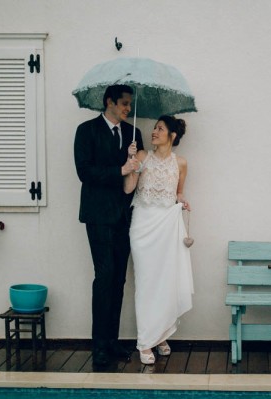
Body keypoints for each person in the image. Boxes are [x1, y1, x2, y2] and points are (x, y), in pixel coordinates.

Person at [74, 84, 143, 366]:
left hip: (125, 216)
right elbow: (84, 171)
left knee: (119, 280)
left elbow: (134, 177)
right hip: (98, 215)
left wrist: (134, 162)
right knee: (104, 276)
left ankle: (112, 341)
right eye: (124, 103)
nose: (128, 109)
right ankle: (99, 344)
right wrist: (120, 169)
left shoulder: (133, 134)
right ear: (109, 102)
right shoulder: (86, 130)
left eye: (129, 104)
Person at [124, 115, 194, 365]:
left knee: (165, 281)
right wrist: (131, 163)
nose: (154, 131)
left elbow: (178, 193)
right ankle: (145, 341)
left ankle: (160, 335)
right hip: (143, 225)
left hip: (167, 226)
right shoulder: (142, 156)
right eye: (154, 128)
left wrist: (183, 201)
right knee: (146, 281)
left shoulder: (182, 163)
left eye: (160, 128)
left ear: (172, 136)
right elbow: (128, 189)